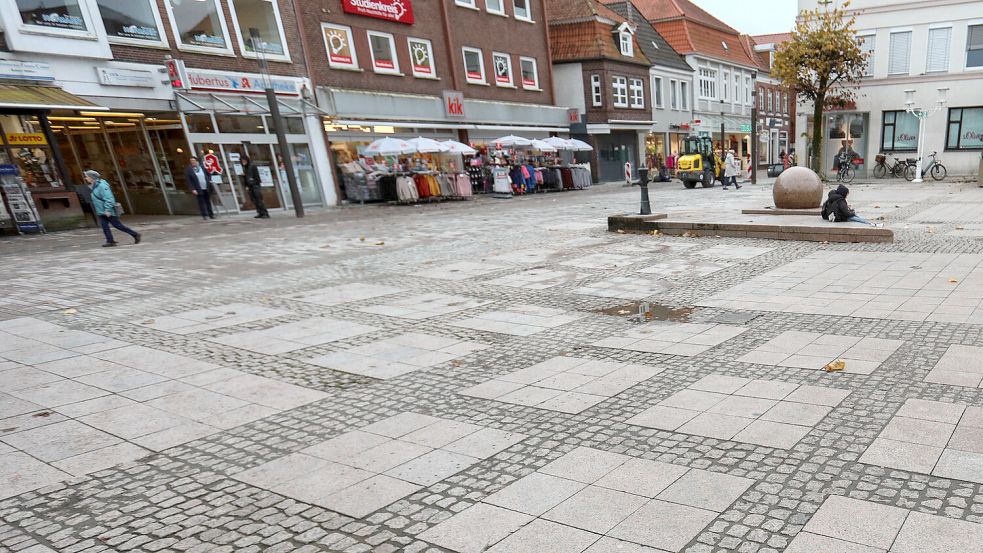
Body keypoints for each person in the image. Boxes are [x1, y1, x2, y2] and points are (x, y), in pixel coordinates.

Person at [84, 170, 141, 247]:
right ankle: (110, 241)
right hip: (101, 211)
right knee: (105, 226)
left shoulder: (102, 186)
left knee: (118, 225)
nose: (86, 178)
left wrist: (107, 209)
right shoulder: (94, 186)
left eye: (87, 176)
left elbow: (109, 198)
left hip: (107, 211)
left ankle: (135, 234)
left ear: (92, 177)